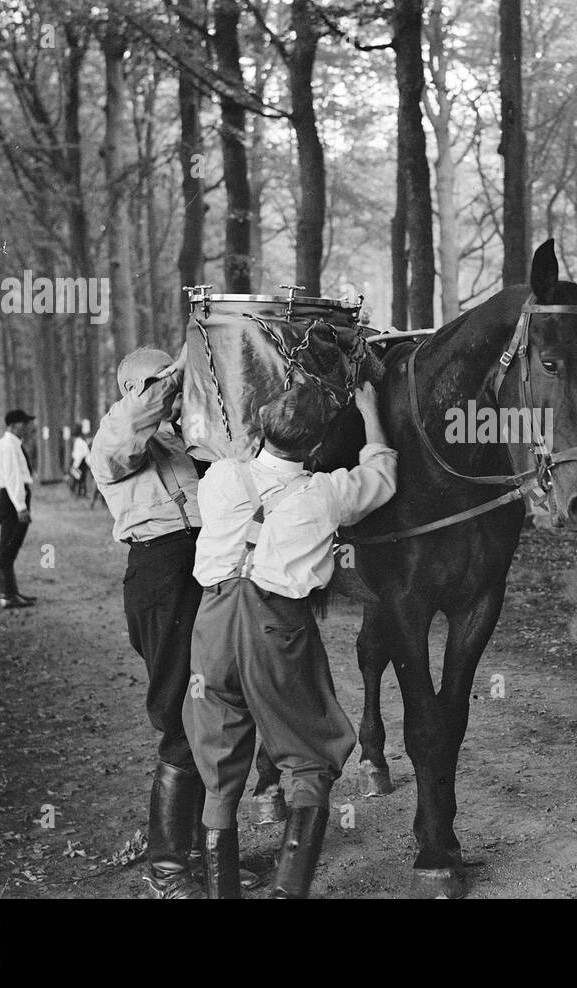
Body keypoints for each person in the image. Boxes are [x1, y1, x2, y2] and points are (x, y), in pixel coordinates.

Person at [185, 379, 396, 899]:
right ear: (319, 447)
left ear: (260, 427)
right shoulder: (326, 492)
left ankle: (222, 893)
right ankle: (287, 893)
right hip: (276, 625)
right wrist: (370, 413)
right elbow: (383, 475)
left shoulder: (219, 478)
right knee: (308, 751)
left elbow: (238, 453)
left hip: (210, 623)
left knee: (217, 749)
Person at [92, 346, 239, 900]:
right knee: (182, 717)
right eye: (156, 383)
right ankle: (167, 870)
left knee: (214, 712)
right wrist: (175, 369)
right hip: (159, 575)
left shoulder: (182, 438)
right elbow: (128, 432)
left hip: (201, 567)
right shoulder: (114, 439)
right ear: (132, 390)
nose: (170, 390)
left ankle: (203, 859)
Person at [0, 409, 36, 610]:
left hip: (11, 497)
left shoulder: (9, 444)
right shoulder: (7, 446)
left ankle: (12, 591)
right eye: (25, 423)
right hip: (13, 500)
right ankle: (7, 594)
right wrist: (21, 506)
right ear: (14, 425)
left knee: (11, 546)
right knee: (8, 546)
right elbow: (13, 477)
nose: (28, 427)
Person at [69, 424, 91, 498]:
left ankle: (78, 492)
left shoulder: (77, 442)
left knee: (78, 478)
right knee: (81, 478)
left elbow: (78, 455)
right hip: (84, 462)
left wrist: (75, 465)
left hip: (81, 462)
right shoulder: (82, 441)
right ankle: (81, 492)